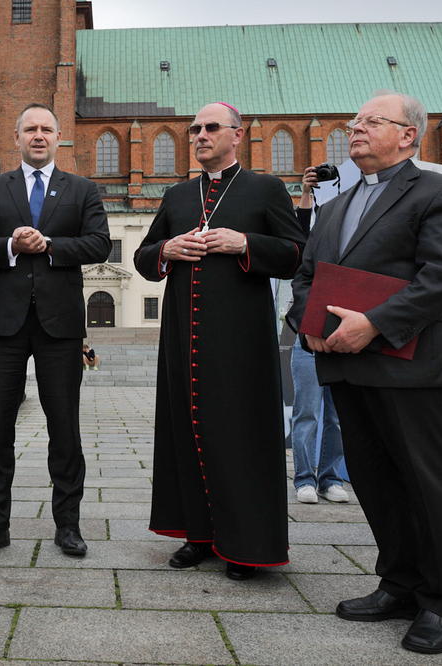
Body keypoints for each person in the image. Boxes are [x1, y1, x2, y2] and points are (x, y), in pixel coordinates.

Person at [287, 91, 442, 655]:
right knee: (374, 482)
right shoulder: (338, 205)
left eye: (372, 121)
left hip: (411, 362)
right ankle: (398, 584)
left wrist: (374, 323)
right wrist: (307, 323)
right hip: (348, 365)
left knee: (426, 482)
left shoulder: (441, 191)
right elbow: (306, 274)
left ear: (409, 134)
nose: (356, 128)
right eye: (356, 121)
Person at [134, 102, 305, 580]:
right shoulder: (175, 194)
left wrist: (245, 244)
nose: (200, 135)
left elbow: (297, 255)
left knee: (239, 436)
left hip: (241, 341)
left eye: (211, 128)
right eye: (195, 129)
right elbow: (145, 258)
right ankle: (198, 535)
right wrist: (166, 249)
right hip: (182, 340)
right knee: (186, 433)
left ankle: (247, 545)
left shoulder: (266, 189)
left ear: (237, 135)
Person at [0, 103, 111, 558]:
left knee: (65, 428)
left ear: (59, 137)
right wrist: (8, 245)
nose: (38, 136)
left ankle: (68, 525)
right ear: (17, 136)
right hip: (4, 326)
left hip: (60, 325)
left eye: (47, 129)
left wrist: (49, 246)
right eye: (31, 129)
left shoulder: (83, 189)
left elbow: (99, 243)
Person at [291, 167, 348, 504]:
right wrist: (306, 194)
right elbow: (299, 240)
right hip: (309, 329)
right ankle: (304, 479)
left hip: (342, 327)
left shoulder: (349, 219)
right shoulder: (313, 223)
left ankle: (330, 477)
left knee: (337, 413)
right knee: (308, 411)